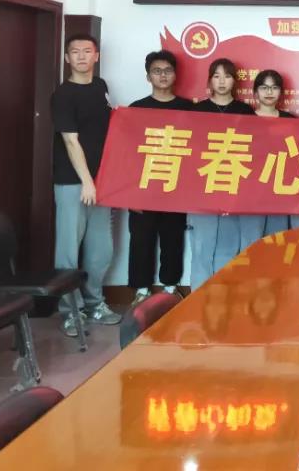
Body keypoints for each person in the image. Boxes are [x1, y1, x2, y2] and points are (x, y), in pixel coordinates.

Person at [51, 33, 120, 334]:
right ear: (67, 58)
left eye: (87, 51)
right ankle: (71, 311)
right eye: (75, 52)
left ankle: (95, 303)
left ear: (96, 56)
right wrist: (87, 182)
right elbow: (70, 141)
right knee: (68, 249)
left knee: (100, 249)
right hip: (73, 183)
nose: (81, 56)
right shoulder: (63, 95)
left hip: (102, 181)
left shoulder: (100, 87)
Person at [127, 50, 193, 306]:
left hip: (176, 186)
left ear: (175, 75)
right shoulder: (136, 109)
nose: (162, 75)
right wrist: (129, 191)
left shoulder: (189, 109)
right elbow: (127, 153)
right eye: (157, 71)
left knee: (173, 239)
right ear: (148, 76)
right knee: (141, 240)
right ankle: (141, 290)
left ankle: (170, 288)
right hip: (143, 186)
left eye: (167, 71)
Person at [189, 58, 257, 289]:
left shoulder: (245, 111)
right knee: (201, 246)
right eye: (216, 76)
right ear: (209, 80)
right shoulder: (197, 111)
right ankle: (199, 297)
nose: (221, 81)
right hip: (202, 188)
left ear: (234, 81)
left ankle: (224, 295)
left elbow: (254, 150)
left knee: (228, 247)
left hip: (233, 187)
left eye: (227, 76)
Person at [250, 69, 299, 232]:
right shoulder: (245, 119)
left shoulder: (291, 121)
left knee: (277, 240)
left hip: (280, 191)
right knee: (251, 240)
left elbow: (298, 156)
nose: (269, 92)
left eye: (274, 88)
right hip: (251, 191)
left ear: (280, 92)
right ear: (256, 92)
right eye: (264, 88)